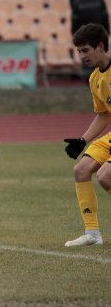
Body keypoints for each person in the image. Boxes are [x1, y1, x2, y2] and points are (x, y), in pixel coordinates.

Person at [63, 23, 111, 247]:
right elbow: (103, 115)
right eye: (78, 51)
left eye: (85, 50)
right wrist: (83, 140)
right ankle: (92, 234)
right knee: (81, 170)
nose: (81, 56)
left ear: (100, 46)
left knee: (105, 176)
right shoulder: (95, 79)